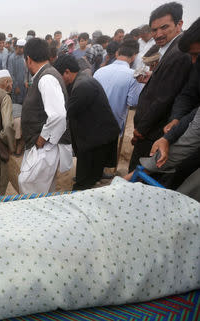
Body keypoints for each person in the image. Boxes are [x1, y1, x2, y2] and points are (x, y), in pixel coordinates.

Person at [129, 2, 192, 171]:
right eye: (154, 30)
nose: (158, 34)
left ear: (179, 24)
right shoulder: (170, 49)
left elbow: (165, 98)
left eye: (164, 28)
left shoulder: (179, 53)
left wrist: (141, 129)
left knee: (138, 178)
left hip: (153, 132)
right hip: (150, 130)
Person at [54, 54, 120, 190]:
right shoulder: (81, 80)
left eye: (59, 76)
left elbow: (67, 113)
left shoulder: (82, 86)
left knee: (83, 183)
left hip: (96, 139)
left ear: (67, 72)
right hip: (95, 135)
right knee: (91, 173)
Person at [19, 38, 72, 194]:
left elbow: (58, 115)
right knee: (43, 191)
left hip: (46, 147)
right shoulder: (46, 74)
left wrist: (42, 138)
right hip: (45, 146)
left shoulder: (46, 78)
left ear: (28, 59)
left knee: (27, 185)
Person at [94, 40, 143, 134]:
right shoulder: (133, 76)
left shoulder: (99, 71)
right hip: (114, 124)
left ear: (117, 54)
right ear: (133, 57)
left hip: (95, 121)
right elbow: (133, 102)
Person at [6, 38, 27, 154]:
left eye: (23, 48)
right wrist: (16, 86)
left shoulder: (25, 57)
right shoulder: (12, 58)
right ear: (16, 47)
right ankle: (16, 140)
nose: (21, 50)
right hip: (16, 90)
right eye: (19, 47)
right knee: (17, 113)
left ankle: (23, 140)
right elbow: (10, 73)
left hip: (26, 89)